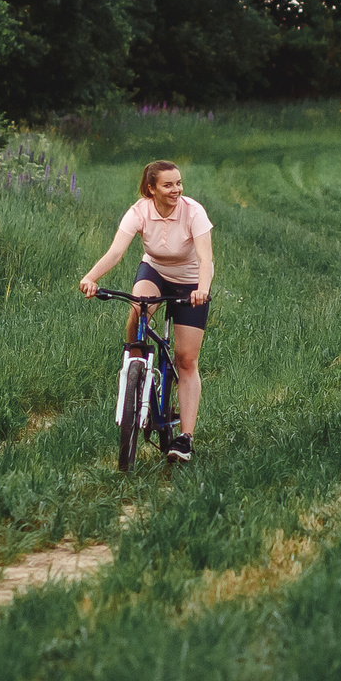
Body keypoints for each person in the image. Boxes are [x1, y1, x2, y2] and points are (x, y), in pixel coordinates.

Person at [78, 159, 214, 462]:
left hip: (190, 282)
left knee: (186, 360)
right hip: (155, 272)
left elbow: (206, 259)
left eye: (178, 183)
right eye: (168, 185)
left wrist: (201, 289)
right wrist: (91, 277)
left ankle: (185, 438)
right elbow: (116, 251)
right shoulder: (139, 211)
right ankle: (134, 363)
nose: (176, 189)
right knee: (139, 308)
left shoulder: (194, 212)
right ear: (151, 189)